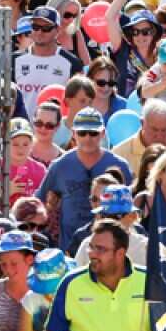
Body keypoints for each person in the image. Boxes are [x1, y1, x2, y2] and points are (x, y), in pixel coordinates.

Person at [36, 107, 132, 249]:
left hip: (111, 246)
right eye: (82, 133)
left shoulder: (119, 165)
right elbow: (39, 200)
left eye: (93, 133)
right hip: (70, 248)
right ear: (74, 134)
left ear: (103, 133)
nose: (87, 138)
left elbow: (131, 206)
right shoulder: (60, 165)